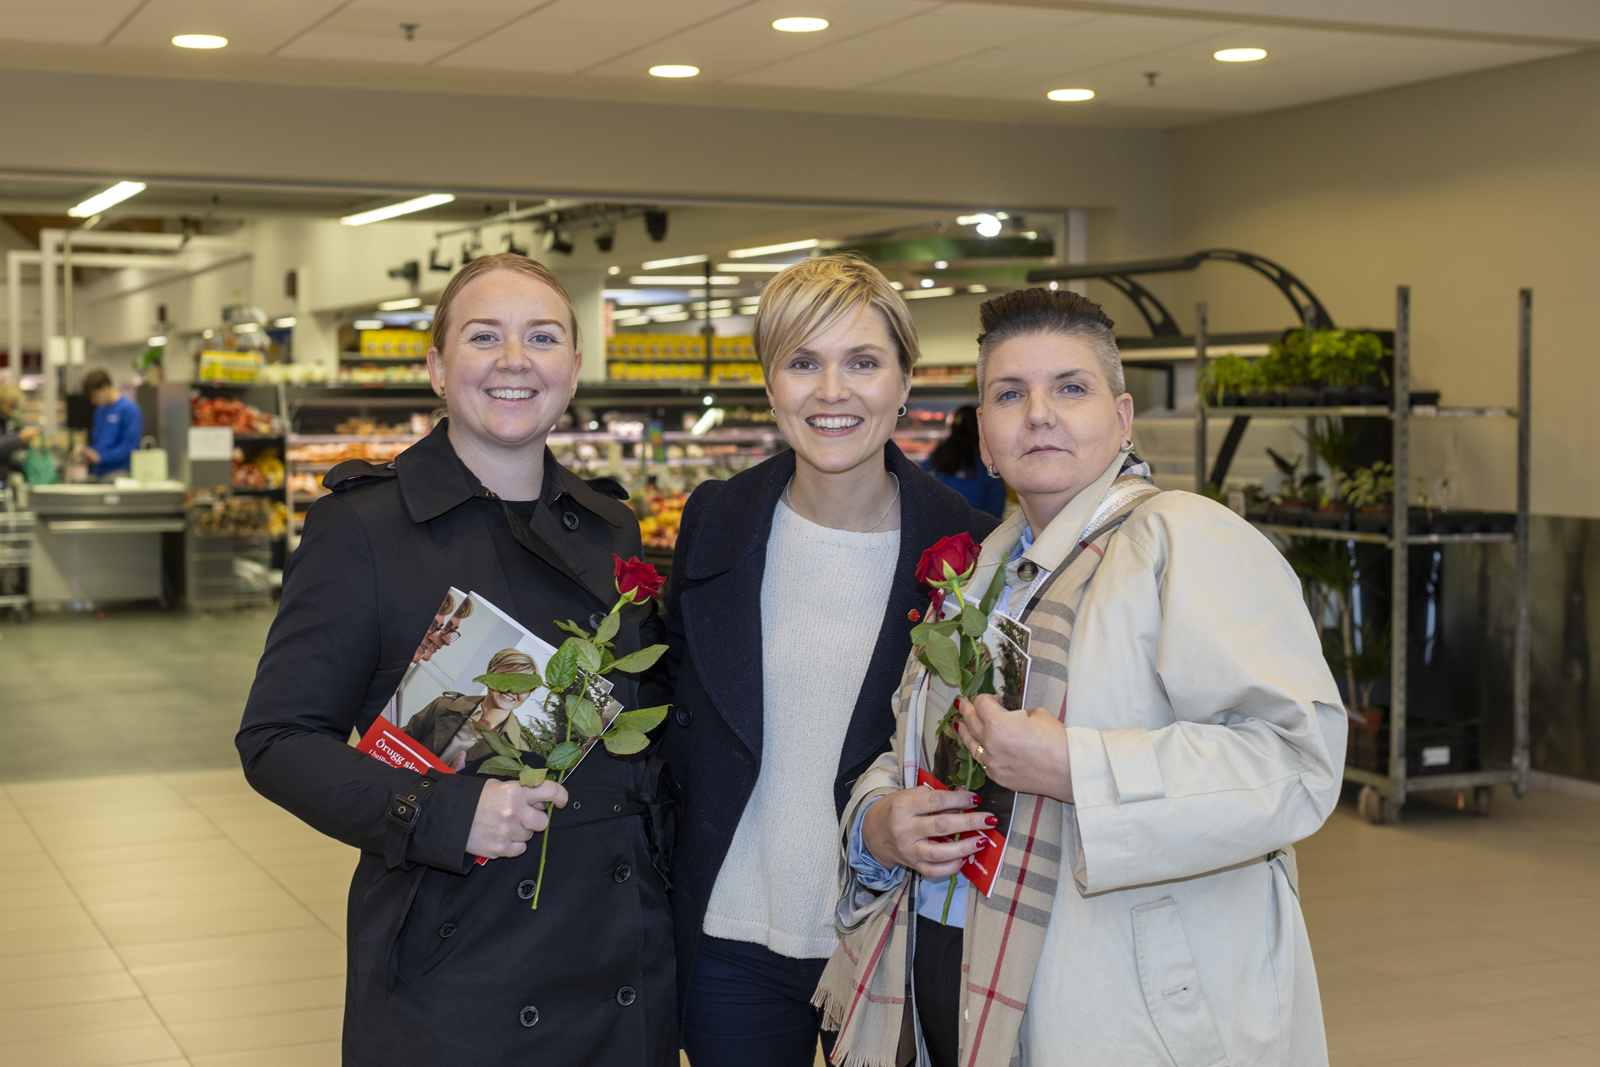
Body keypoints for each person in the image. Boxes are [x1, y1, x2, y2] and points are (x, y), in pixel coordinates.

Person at [819, 287, 1345, 1067]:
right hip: (960, 992)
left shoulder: (1186, 542)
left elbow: (1296, 762)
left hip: (1127, 1015)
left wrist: (1076, 766)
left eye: (1070, 387)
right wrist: (879, 824)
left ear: (1123, 418)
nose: (1039, 412)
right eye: (1009, 393)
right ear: (986, 441)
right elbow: (906, 745)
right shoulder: (978, 575)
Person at [236, 253, 677, 1066]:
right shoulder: (362, 529)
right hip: (457, 962)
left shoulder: (611, 525)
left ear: (574, 370)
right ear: (437, 367)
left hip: (620, 956)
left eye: (542, 337)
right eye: (484, 336)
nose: (515, 359)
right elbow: (276, 740)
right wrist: (441, 812)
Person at [662, 254, 999, 1067]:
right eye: (803, 362)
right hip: (731, 932)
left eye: (862, 362)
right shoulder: (715, 519)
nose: (832, 391)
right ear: (770, 384)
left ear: (905, 379)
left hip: (889, 934)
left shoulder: (965, 547)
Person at [404, 648, 539, 769]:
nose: (512, 690)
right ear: (489, 675)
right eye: (507, 679)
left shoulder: (519, 752)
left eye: (523, 687)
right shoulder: (443, 706)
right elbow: (396, 745)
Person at [923, 405, 1007, 517]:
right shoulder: (984, 459)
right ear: (980, 427)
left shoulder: (937, 454)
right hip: (975, 529)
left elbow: (919, 488)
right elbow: (996, 506)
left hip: (934, 525)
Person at [80, 369, 142, 478]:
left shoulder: (129, 410)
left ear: (105, 387)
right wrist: (87, 453)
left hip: (119, 472)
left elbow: (130, 448)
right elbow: (99, 443)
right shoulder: (99, 411)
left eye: (95, 396)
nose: (93, 401)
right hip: (98, 472)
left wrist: (100, 457)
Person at [0, 381, 39, 477]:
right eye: (12, 406)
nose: (13, 411)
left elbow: (4, 458)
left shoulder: (4, 422)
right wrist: (20, 438)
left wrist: (28, 467)